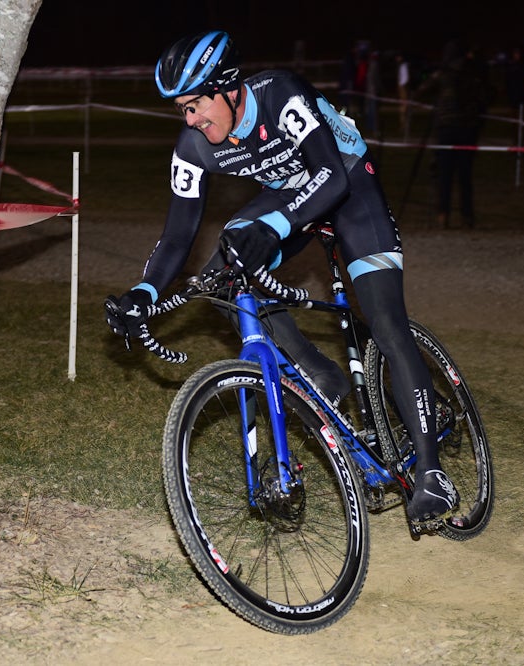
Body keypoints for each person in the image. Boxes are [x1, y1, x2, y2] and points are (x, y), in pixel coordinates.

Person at [104, 30, 460, 525]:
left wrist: (271, 227)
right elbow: (177, 234)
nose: (191, 119)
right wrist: (143, 293)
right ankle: (316, 373)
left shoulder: (281, 94)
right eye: (182, 109)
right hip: (292, 196)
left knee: (383, 320)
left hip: (350, 188)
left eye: (196, 105)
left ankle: (431, 473)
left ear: (228, 87)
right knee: (222, 277)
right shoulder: (192, 146)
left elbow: (331, 174)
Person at [416, 38, 489, 229]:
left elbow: (421, 90)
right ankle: (467, 216)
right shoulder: (472, 73)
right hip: (468, 130)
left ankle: (443, 214)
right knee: (465, 176)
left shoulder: (443, 74)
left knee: (445, 175)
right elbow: (485, 96)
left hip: (446, 129)